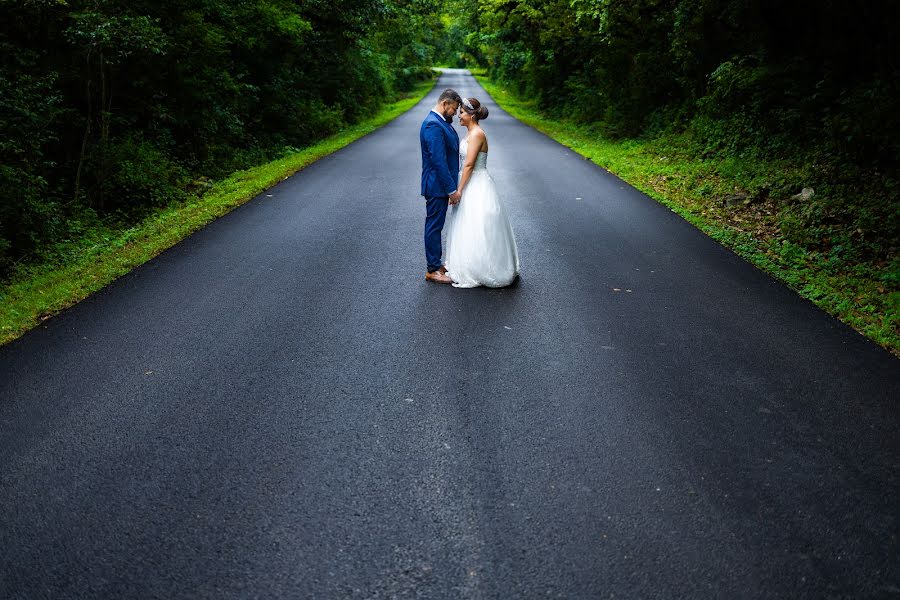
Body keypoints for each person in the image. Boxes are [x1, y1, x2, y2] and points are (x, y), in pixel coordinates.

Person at [443, 97, 520, 288]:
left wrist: (458, 190)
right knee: (467, 224)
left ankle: (484, 267)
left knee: (480, 223)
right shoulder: (471, 132)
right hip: (470, 180)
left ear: (470, 115)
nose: (459, 115)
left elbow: (469, 165)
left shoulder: (477, 133)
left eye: (461, 112)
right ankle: (468, 261)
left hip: (476, 182)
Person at [419, 88, 462, 284]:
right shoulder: (432, 125)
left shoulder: (440, 122)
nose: (455, 112)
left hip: (440, 185)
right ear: (445, 104)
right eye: (453, 109)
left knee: (437, 225)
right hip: (436, 185)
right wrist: (451, 189)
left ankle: (436, 263)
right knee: (434, 226)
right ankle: (432, 269)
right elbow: (438, 161)